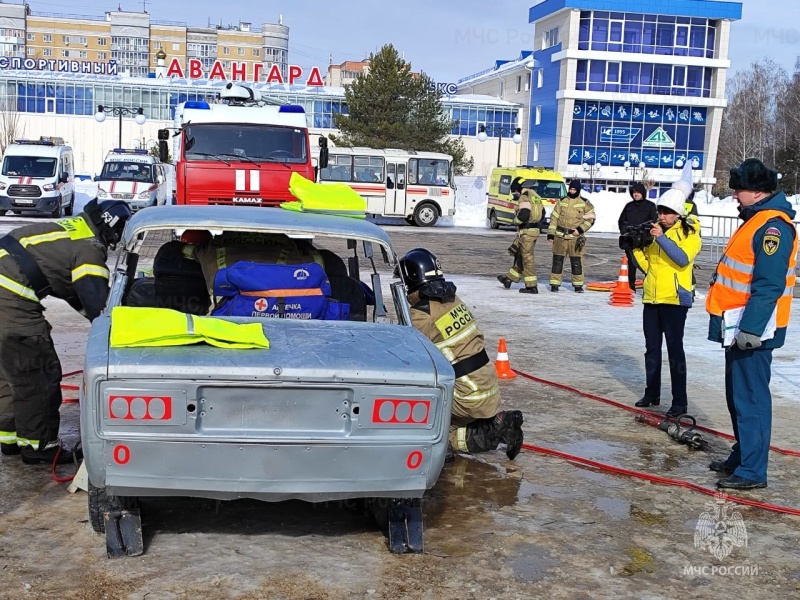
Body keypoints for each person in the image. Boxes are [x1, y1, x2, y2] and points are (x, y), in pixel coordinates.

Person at [0, 199, 132, 464]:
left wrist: (92, 315)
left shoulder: (74, 227)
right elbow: (95, 300)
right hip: (10, 298)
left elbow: (71, 290)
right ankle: (39, 447)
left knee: (10, 369)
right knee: (39, 372)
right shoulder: (90, 249)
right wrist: (116, 327)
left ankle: (11, 438)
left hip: (6, 287)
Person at [706, 158, 797, 490]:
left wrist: (752, 330)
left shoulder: (773, 227)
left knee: (751, 399)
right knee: (738, 396)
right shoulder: (755, 220)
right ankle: (743, 454)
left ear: (757, 192)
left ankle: (753, 469)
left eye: (738, 190)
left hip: (753, 331)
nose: (734, 196)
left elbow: (769, 285)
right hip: (738, 326)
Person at [398, 248, 524, 460]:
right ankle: (495, 422)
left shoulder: (422, 314)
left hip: (469, 394)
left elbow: (406, 357)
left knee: (433, 433)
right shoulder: (453, 300)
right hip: (484, 384)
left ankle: (497, 430)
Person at [632, 185, 702, 418]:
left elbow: (682, 260)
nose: (663, 216)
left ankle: (679, 402)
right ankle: (652, 392)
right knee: (651, 348)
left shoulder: (689, 232)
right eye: (660, 211)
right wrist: (633, 249)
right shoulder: (655, 231)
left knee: (674, 350)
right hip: (652, 296)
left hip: (674, 298)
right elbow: (648, 266)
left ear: (679, 213)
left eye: (668, 212)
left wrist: (661, 238)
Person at [547, 179, 596, 292]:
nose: (572, 191)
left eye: (574, 189)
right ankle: (555, 284)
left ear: (578, 190)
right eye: (571, 189)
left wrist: (580, 229)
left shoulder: (585, 203)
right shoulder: (562, 201)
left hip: (575, 238)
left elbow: (591, 219)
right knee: (557, 261)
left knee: (576, 262)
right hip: (560, 237)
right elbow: (554, 218)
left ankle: (578, 285)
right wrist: (551, 234)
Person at [498, 181, 544, 294]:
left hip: (527, 232)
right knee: (520, 255)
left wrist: (515, 221)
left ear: (517, 190)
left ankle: (531, 286)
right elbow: (543, 213)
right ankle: (509, 279)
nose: (514, 195)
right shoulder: (535, 196)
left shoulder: (524, 197)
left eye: (514, 192)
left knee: (527, 258)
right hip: (534, 231)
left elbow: (524, 214)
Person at [618, 182, 657, 291]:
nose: (636, 194)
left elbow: (655, 221)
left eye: (638, 192)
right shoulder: (629, 206)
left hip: (646, 240)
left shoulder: (650, 206)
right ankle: (631, 286)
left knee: (648, 264)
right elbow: (621, 221)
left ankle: (648, 286)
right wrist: (624, 232)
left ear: (643, 193)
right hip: (631, 240)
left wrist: (648, 232)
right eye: (634, 192)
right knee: (632, 263)